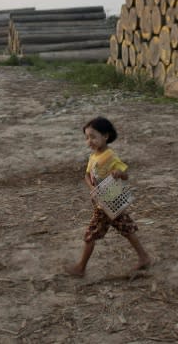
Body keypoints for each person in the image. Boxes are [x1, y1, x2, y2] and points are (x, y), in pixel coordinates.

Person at [65, 117, 151, 277]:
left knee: (90, 235)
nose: (89, 141)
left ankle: (80, 268)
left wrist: (118, 173)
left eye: (93, 136)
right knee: (126, 229)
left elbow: (125, 174)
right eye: (87, 137)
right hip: (104, 201)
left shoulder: (110, 156)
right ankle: (144, 257)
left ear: (105, 136)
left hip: (109, 201)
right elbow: (87, 176)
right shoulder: (93, 156)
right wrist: (92, 189)